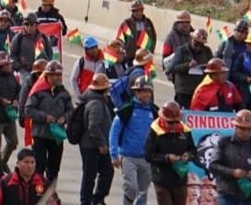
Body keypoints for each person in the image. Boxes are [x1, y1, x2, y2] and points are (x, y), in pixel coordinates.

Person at [209, 110, 251, 205]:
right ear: (236, 127)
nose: (246, 132)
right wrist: (232, 172)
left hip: (249, 195)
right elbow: (213, 166)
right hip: (227, 195)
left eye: (249, 129)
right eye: (243, 128)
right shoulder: (223, 143)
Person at [25, 61, 73, 187]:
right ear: (48, 76)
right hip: (40, 134)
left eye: (59, 75)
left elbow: (71, 110)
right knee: (39, 165)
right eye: (55, 75)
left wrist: (64, 118)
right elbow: (28, 109)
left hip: (56, 136)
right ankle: (37, 191)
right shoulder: (38, 91)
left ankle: (51, 192)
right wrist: (45, 117)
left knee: (54, 166)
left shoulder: (64, 93)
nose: (58, 77)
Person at [112, 77, 157, 205]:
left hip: (146, 159)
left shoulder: (154, 112)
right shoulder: (127, 110)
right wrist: (114, 154)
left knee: (143, 192)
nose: (148, 94)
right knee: (131, 187)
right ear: (137, 92)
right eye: (144, 91)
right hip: (128, 157)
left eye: (149, 91)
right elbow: (114, 132)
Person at [145, 102, 197, 205]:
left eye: (176, 122)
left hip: (180, 179)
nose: (174, 125)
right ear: (163, 119)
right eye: (170, 122)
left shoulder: (185, 131)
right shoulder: (155, 131)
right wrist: (167, 158)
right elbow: (148, 155)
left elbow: (193, 150)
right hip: (162, 179)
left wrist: (188, 155)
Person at [78, 73, 115, 205]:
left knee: (106, 172)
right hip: (92, 146)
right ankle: (87, 201)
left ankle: (97, 198)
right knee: (90, 176)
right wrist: (102, 144)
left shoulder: (96, 100)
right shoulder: (96, 103)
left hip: (95, 145)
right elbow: (93, 126)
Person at [168, 28, 214, 108]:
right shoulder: (181, 50)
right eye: (196, 44)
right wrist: (187, 65)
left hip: (200, 89)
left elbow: (212, 67)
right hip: (184, 90)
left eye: (201, 45)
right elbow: (173, 68)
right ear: (192, 39)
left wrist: (207, 67)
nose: (198, 47)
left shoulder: (207, 51)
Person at [118, 0, 158, 67]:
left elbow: (153, 37)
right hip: (130, 57)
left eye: (140, 10)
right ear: (132, 12)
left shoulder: (148, 23)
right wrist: (123, 53)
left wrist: (151, 51)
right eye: (136, 11)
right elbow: (120, 39)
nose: (138, 13)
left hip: (145, 57)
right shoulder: (127, 23)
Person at [162, 11, 195, 75]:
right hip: (177, 70)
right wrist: (167, 71)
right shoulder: (171, 37)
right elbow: (165, 56)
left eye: (187, 22)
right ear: (177, 23)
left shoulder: (194, 35)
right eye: (182, 22)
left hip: (192, 70)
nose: (185, 24)